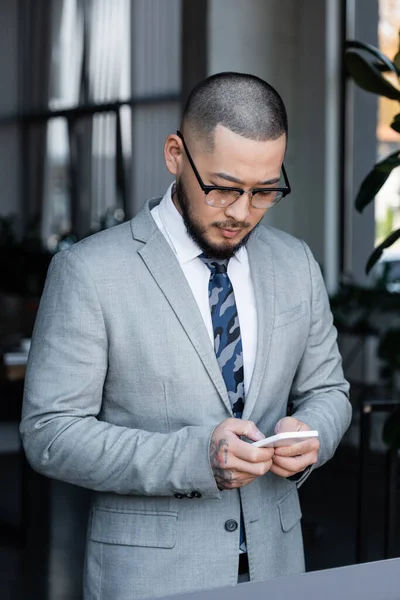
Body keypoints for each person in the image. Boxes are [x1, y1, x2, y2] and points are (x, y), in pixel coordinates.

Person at [20, 72, 351, 600]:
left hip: (280, 567)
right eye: (222, 188)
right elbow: (50, 434)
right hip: (151, 579)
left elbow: (330, 392)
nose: (243, 213)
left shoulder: (296, 263)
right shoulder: (88, 271)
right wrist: (198, 457)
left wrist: (311, 434)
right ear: (176, 154)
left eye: (264, 191)